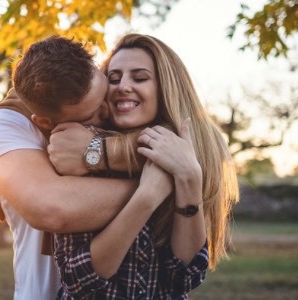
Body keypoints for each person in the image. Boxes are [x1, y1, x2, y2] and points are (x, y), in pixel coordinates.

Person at [49, 33, 240, 299]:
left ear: (166, 88)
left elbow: (185, 276)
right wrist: (146, 197)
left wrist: (189, 177)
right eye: (114, 79)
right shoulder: (84, 147)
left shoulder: (194, 153)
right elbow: (78, 278)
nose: (123, 86)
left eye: (139, 78)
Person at [0, 36, 141, 300]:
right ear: (43, 120)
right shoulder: (5, 124)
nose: (109, 111)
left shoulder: (120, 98)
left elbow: (189, 149)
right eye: (92, 115)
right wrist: (156, 188)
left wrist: (100, 152)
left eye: (103, 94)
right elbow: (52, 210)